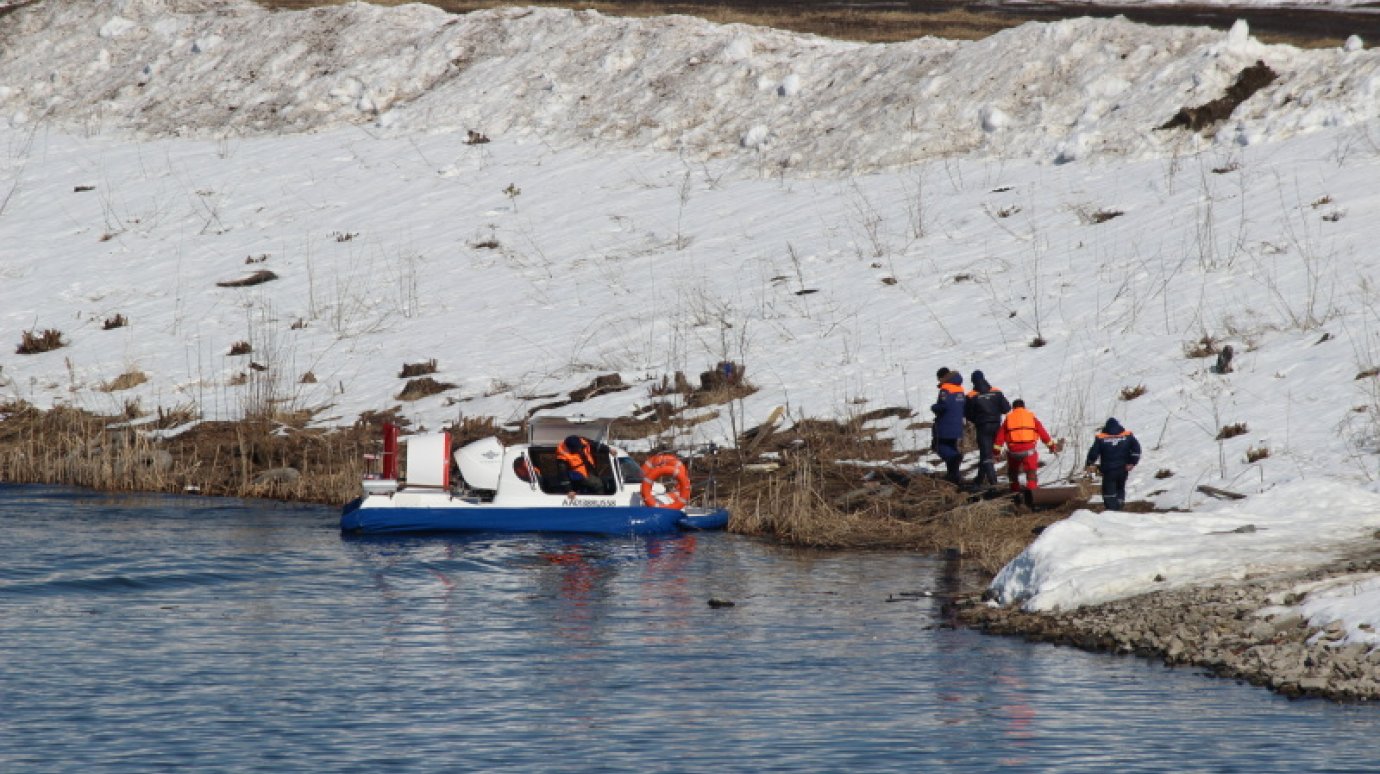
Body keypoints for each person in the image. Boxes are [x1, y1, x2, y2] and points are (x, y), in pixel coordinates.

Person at [995, 399, 1060, 493]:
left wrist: (996, 453)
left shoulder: (1008, 418)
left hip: (1013, 451)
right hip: (1029, 450)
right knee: (1031, 471)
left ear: (1013, 408)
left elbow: (1000, 437)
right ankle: (1032, 492)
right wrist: (1051, 447)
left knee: (1013, 471)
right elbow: (1043, 434)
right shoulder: (1031, 417)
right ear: (1024, 407)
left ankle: (1015, 492)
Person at [964, 369, 1011, 487]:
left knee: (985, 455)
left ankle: (993, 482)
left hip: (983, 426)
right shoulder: (997, 392)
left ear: (973, 381)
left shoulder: (971, 396)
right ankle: (980, 479)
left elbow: (967, 413)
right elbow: (1006, 409)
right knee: (990, 454)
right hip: (996, 425)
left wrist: (976, 419)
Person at [1085, 417, 1142, 511]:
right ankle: (1120, 503)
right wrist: (1132, 462)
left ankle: (1113, 511)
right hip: (1123, 468)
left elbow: (1093, 453)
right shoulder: (1128, 436)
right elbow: (1137, 449)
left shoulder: (1101, 438)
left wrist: (1089, 463)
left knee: (1109, 491)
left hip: (1109, 470)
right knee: (1120, 487)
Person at [930, 370, 967, 485]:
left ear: (942, 377)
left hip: (945, 424)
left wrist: (934, 407)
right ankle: (953, 475)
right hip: (957, 425)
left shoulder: (946, 389)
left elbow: (944, 406)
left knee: (938, 446)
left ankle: (955, 458)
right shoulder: (960, 389)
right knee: (950, 446)